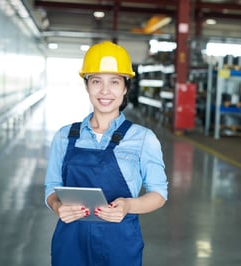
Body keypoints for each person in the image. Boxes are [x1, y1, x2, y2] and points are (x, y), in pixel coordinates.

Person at [44, 40, 168, 266]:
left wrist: (129, 206)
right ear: (87, 86)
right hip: (70, 244)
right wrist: (57, 206)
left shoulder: (143, 139)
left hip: (120, 245)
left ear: (125, 87)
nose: (104, 91)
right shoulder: (65, 136)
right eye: (96, 81)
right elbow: (51, 187)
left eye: (114, 81)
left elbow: (158, 194)